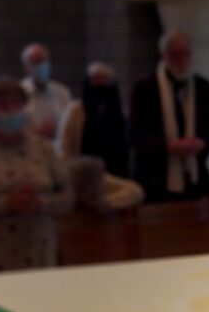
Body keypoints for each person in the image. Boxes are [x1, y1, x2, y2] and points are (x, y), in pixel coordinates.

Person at [0, 77, 74, 272]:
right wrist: (3, 204)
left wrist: (40, 203)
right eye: (3, 105)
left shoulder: (44, 149)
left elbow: (67, 197)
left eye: (16, 104)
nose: (11, 110)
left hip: (39, 253)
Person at [129, 31, 209, 202]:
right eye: (176, 55)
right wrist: (168, 146)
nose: (182, 60)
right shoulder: (145, 89)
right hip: (155, 180)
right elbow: (134, 137)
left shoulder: (203, 88)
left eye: (186, 54)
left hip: (193, 178)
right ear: (163, 55)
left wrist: (200, 143)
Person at [57, 62, 144, 211]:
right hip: (83, 174)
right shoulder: (75, 111)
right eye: (96, 80)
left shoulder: (120, 112)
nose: (100, 86)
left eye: (105, 81)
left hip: (113, 174)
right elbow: (65, 145)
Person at [19, 43, 72, 139]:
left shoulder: (62, 91)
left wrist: (58, 130)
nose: (41, 66)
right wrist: (36, 133)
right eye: (35, 62)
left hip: (58, 149)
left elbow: (70, 123)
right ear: (26, 67)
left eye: (44, 61)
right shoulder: (18, 93)